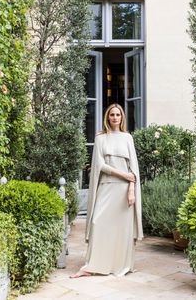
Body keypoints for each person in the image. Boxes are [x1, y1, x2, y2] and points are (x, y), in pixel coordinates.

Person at [70, 103, 143, 278]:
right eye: (112, 115)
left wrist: (131, 189)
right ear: (107, 117)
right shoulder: (100, 138)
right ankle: (93, 265)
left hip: (124, 190)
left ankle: (119, 265)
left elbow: (133, 169)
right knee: (98, 222)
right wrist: (122, 175)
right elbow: (100, 165)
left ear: (122, 118)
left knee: (121, 230)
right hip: (106, 186)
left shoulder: (127, 138)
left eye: (118, 115)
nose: (115, 118)